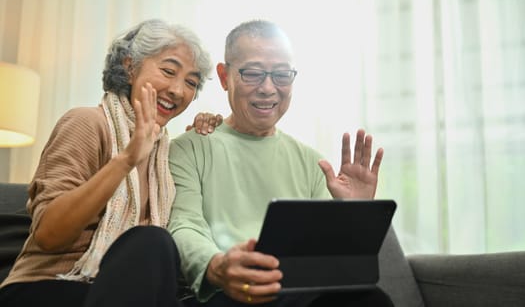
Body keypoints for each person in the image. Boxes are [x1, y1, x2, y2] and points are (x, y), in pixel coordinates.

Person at [168, 19, 393, 306]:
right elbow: (184, 224)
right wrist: (217, 266)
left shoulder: (313, 162)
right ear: (225, 78)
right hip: (226, 292)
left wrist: (353, 213)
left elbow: (329, 263)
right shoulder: (189, 149)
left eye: (281, 75)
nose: (267, 88)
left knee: (370, 299)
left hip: (295, 293)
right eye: (252, 73)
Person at [0, 19, 222, 307]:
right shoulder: (86, 123)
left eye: (191, 83)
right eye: (168, 71)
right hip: (50, 288)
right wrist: (127, 159)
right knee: (150, 241)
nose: (178, 91)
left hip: (128, 293)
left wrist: (209, 132)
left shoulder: (167, 152)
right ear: (130, 67)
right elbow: (49, 234)